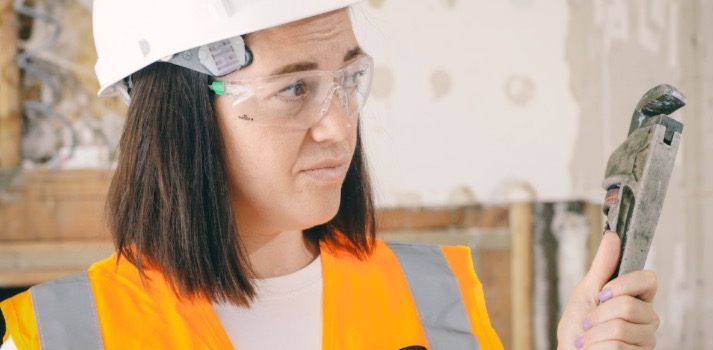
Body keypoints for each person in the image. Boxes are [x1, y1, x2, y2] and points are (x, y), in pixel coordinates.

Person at [0, 0, 658, 349]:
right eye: (294, 90)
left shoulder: (431, 296)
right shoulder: (67, 337)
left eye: (347, 79)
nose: (340, 126)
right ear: (181, 116)